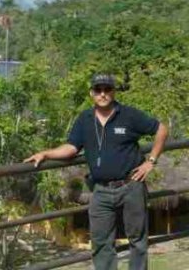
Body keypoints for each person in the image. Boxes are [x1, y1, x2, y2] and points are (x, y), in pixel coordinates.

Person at [24, 74, 168, 270]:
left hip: (131, 185)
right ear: (92, 93)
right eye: (98, 90)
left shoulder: (129, 115)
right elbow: (72, 148)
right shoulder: (84, 119)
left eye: (107, 89)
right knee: (101, 243)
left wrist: (151, 161)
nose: (103, 94)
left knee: (137, 241)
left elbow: (161, 129)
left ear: (113, 92)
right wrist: (45, 154)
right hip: (100, 190)